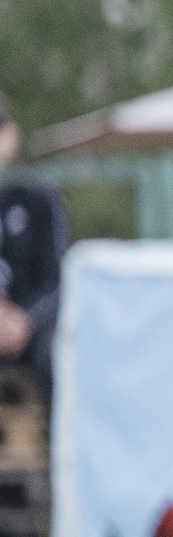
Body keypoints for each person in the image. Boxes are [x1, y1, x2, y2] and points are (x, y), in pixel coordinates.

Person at [0, 94, 70, 392]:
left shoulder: (39, 196)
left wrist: (26, 321)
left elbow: (60, 276)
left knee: (60, 357)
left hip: (34, 333)